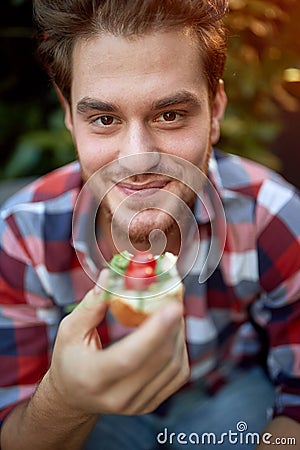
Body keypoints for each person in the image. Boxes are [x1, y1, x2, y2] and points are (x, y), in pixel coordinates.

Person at [0, 1, 300, 449]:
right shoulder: (22, 237)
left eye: (170, 114)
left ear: (215, 110)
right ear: (68, 115)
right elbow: (14, 435)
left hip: (226, 401)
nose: (136, 159)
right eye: (104, 119)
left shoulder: (272, 216)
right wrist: (66, 398)